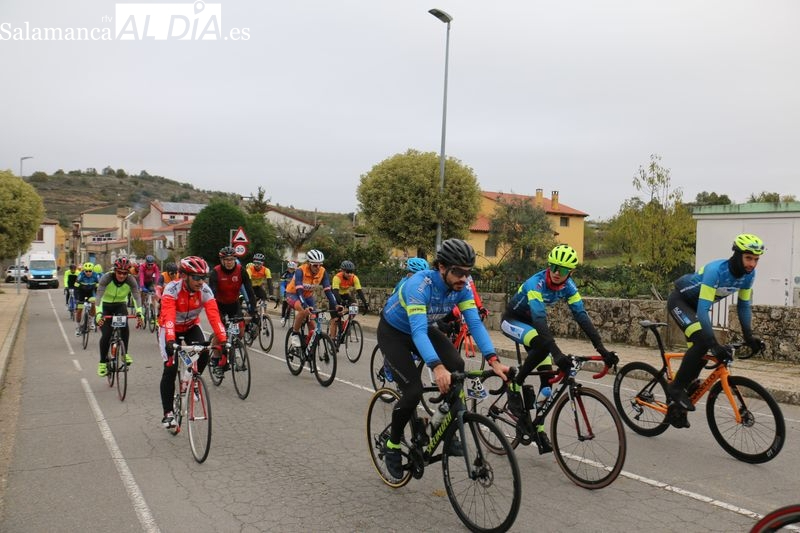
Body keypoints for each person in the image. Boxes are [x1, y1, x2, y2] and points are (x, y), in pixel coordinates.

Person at [378, 238, 509, 479]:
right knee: (413, 391)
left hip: (423, 327)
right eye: (458, 272)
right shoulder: (419, 285)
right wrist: (436, 366)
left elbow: (475, 324)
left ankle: (441, 424)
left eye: (468, 272)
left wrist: (494, 360)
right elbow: (418, 332)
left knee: (457, 366)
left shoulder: (462, 287)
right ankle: (392, 444)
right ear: (441, 267)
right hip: (394, 333)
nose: (464, 278)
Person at [500, 244, 618, 453]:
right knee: (542, 343)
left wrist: (602, 349)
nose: (556, 272)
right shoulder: (535, 283)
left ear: (570, 272)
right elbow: (539, 319)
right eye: (553, 267)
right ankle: (515, 385)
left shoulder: (569, 287)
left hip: (533, 326)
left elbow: (581, 316)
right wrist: (557, 354)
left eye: (562, 270)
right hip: (512, 321)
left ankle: (538, 428)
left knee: (547, 384)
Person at [665, 233, 765, 428]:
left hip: (696, 308)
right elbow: (703, 311)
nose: (752, 264)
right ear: (737, 255)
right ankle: (675, 389)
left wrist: (749, 336)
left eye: (756, 259)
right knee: (703, 341)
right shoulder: (716, 271)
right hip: (681, 302)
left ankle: (676, 406)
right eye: (748, 258)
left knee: (701, 356)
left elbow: (743, 306)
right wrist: (713, 344)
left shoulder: (748, 276)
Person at [158, 256, 228, 429]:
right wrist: (170, 340)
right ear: (184, 276)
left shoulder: (205, 290)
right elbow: (168, 315)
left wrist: (223, 340)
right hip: (170, 327)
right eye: (196, 277)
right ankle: (168, 413)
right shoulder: (171, 289)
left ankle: (193, 381)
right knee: (171, 367)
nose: (201, 281)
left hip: (190, 326)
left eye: (203, 277)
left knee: (204, 351)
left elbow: (214, 316)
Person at [95, 257, 144, 376]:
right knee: (106, 334)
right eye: (119, 272)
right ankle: (102, 363)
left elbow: (136, 297)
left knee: (124, 327)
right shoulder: (106, 278)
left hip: (120, 305)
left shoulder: (131, 280)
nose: (122, 276)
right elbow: (99, 297)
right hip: (105, 306)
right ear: (115, 270)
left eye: (125, 273)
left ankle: (124, 354)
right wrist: (99, 314)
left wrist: (139, 312)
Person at [209, 246, 256, 368]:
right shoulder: (215, 272)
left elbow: (249, 290)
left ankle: (235, 347)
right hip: (219, 304)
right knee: (220, 332)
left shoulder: (241, 271)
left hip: (234, 304)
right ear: (222, 260)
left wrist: (253, 309)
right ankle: (215, 357)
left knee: (241, 331)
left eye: (231, 259)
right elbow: (212, 294)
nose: (229, 262)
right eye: (226, 259)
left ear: (235, 259)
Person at [284, 249, 341, 349]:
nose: (318, 267)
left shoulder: (322, 271)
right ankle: (295, 334)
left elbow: (328, 291)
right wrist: (304, 305)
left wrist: (335, 305)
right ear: (309, 263)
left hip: (308, 296)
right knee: (303, 310)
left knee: (313, 324)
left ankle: (308, 347)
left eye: (320, 264)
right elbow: (299, 290)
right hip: (293, 294)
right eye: (315, 265)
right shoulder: (300, 271)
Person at [328, 260, 369, 339]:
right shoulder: (337, 277)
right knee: (335, 320)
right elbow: (335, 292)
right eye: (347, 272)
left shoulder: (354, 278)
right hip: (335, 296)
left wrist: (365, 303)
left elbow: (359, 291)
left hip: (345, 295)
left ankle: (346, 324)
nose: (350, 274)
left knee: (355, 307)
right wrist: (341, 303)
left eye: (351, 272)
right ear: (342, 271)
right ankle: (332, 340)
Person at [74, 262, 101, 335]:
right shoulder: (80, 275)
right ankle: (78, 327)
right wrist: (76, 298)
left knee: (93, 304)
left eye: (90, 271)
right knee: (79, 310)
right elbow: (76, 287)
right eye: (86, 271)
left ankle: (92, 321)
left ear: (92, 271)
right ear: (84, 271)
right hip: (81, 292)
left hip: (91, 292)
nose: (88, 273)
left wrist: (98, 295)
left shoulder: (96, 275)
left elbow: (99, 286)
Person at [279, 261, 298, 327]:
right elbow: (282, 284)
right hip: (286, 290)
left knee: (291, 304)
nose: (291, 270)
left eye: (292, 269)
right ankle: (283, 317)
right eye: (290, 268)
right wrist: (283, 292)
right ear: (288, 268)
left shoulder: (296, 274)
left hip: (294, 291)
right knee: (285, 302)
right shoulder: (284, 274)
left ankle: (288, 315)